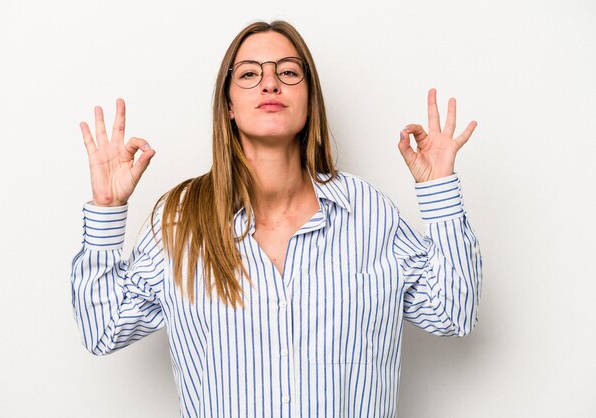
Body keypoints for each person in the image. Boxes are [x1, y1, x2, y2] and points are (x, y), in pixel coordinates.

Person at [71, 20, 481, 418]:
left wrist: (438, 188)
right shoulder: (181, 221)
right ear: (228, 105)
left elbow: (453, 313)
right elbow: (103, 329)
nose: (271, 84)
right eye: (249, 73)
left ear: (310, 99)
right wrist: (106, 205)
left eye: (288, 71)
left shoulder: (367, 212)